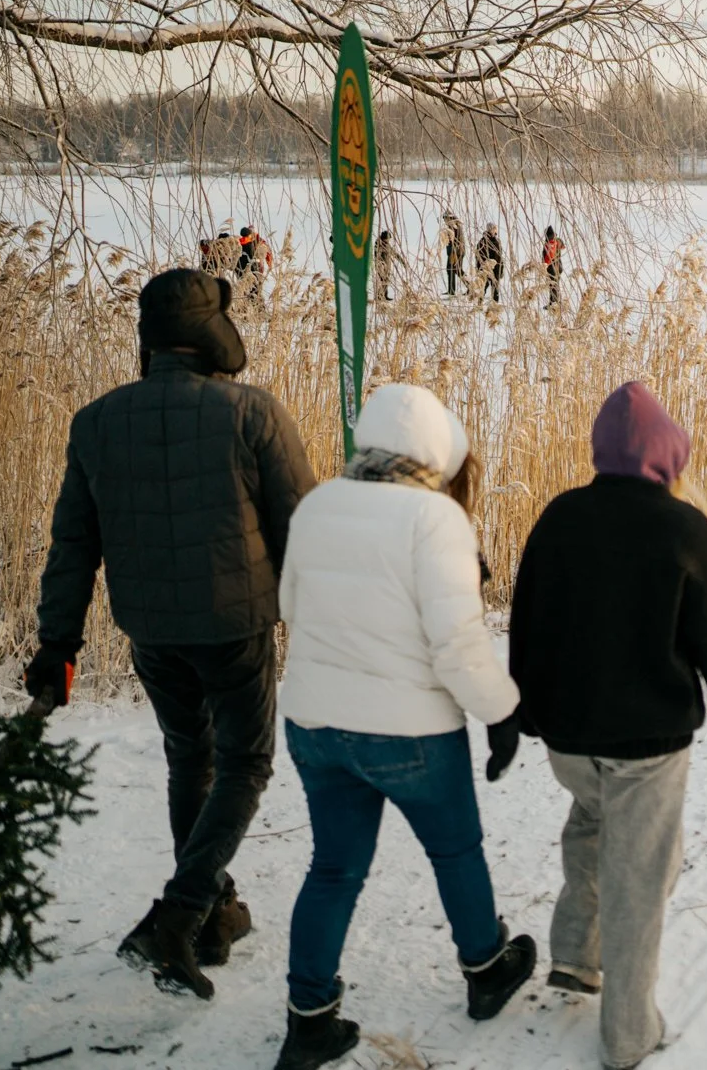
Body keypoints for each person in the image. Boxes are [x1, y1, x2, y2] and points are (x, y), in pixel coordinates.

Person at [27, 269, 316, 1000]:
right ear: (210, 333)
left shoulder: (96, 421)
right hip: (235, 624)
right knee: (246, 762)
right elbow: (303, 532)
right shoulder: (253, 414)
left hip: (151, 629)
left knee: (192, 758)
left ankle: (214, 913)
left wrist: (57, 645)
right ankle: (181, 913)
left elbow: (72, 545)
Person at [273, 383, 535, 1070]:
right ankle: (485, 968)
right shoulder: (434, 518)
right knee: (456, 851)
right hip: (410, 732)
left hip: (316, 724)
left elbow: (290, 607)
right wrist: (502, 710)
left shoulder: (318, 502)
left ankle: (309, 1019)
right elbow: (457, 645)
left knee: (332, 867)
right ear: (438, 452)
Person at [508, 382, 707, 1070]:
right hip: (648, 742)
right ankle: (627, 1034)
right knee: (640, 875)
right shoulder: (684, 529)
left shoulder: (560, 516)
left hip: (570, 738)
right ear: (667, 454)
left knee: (592, 821)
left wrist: (522, 711)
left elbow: (525, 619)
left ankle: (575, 956)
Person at [476, 223, 503, 303]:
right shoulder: (483, 241)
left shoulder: (497, 241)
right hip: (486, 269)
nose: (495, 230)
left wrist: (501, 268)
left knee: (495, 288)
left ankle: (495, 305)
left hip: (496, 268)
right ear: (490, 230)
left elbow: (500, 257)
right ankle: (479, 303)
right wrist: (481, 268)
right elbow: (479, 255)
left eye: (495, 228)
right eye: (494, 228)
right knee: (484, 285)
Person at [443, 212, 466, 296]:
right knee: (452, 269)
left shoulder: (455, 227)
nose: (444, 221)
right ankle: (451, 290)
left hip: (456, 252)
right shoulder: (453, 226)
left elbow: (455, 241)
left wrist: (454, 251)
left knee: (456, 270)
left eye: (445, 218)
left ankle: (471, 286)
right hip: (454, 252)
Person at [542, 226, 565, 308]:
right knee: (556, 284)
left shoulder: (550, 243)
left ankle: (554, 303)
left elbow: (549, 256)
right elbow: (563, 247)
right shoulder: (557, 241)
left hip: (552, 268)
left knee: (553, 285)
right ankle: (555, 302)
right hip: (559, 266)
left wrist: (545, 264)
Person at [375, 230, 395, 303]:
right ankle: (379, 296)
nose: (389, 240)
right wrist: (380, 266)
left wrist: (402, 261)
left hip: (387, 266)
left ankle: (384, 295)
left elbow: (393, 253)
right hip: (381, 266)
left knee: (386, 280)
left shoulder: (387, 245)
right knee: (383, 280)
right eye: (388, 238)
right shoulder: (379, 245)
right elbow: (377, 256)